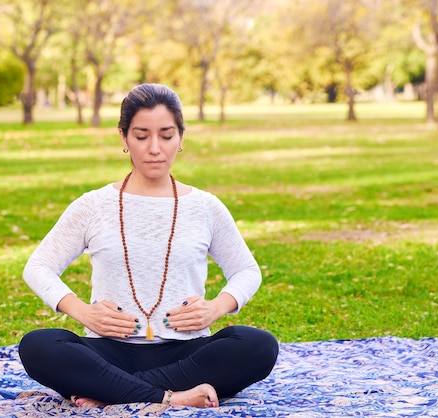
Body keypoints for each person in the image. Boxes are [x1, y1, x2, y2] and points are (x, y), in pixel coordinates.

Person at [18, 83, 278, 409]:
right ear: (124, 138)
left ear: (181, 137)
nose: (155, 148)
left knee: (259, 345)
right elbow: (38, 267)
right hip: (108, 351)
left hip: (186, 352)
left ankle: (111, 392)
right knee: (38, 345)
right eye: (141, 136)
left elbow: (246, 270)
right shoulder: (94, 205)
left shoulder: (206, 206)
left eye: (166, 136)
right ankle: (173, 397)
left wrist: (216, 307)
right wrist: (83, 312)